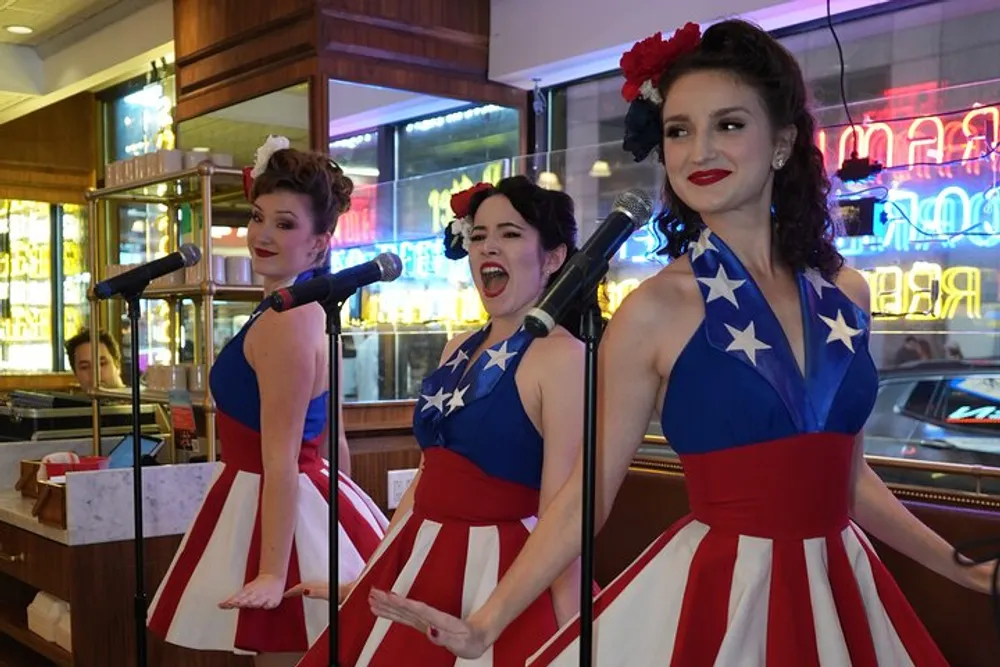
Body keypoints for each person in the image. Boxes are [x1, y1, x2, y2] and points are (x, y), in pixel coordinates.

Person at [367, 20, 997, 666]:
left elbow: (851, 481)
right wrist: (486, 621)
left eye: (727, 124)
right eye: (678, 130)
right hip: (721, 597)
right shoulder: (652, 312)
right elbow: (586, 496)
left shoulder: (848, 294)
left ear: (782, 142)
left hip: (841, 589)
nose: (699, 151)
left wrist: (965, 570)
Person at [289, 176, 591, 667]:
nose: (488, 245)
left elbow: (564, 515)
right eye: (478, 235)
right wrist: (370, 575)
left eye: (510, 234)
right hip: (422, 558)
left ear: (553, 257)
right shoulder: (458, 346)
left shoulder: (565, 358)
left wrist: (573, 633)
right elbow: (428, 477)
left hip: (502, 569)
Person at [147, 136, 388, 667]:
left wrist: (273, 572)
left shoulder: (286, 322)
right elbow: (335, 443)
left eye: (285, 224)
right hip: (300, 500)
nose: (263, 234)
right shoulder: (298, 310)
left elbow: (283, 459)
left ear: (319, 244)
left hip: (278, 505)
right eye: (258, 218)